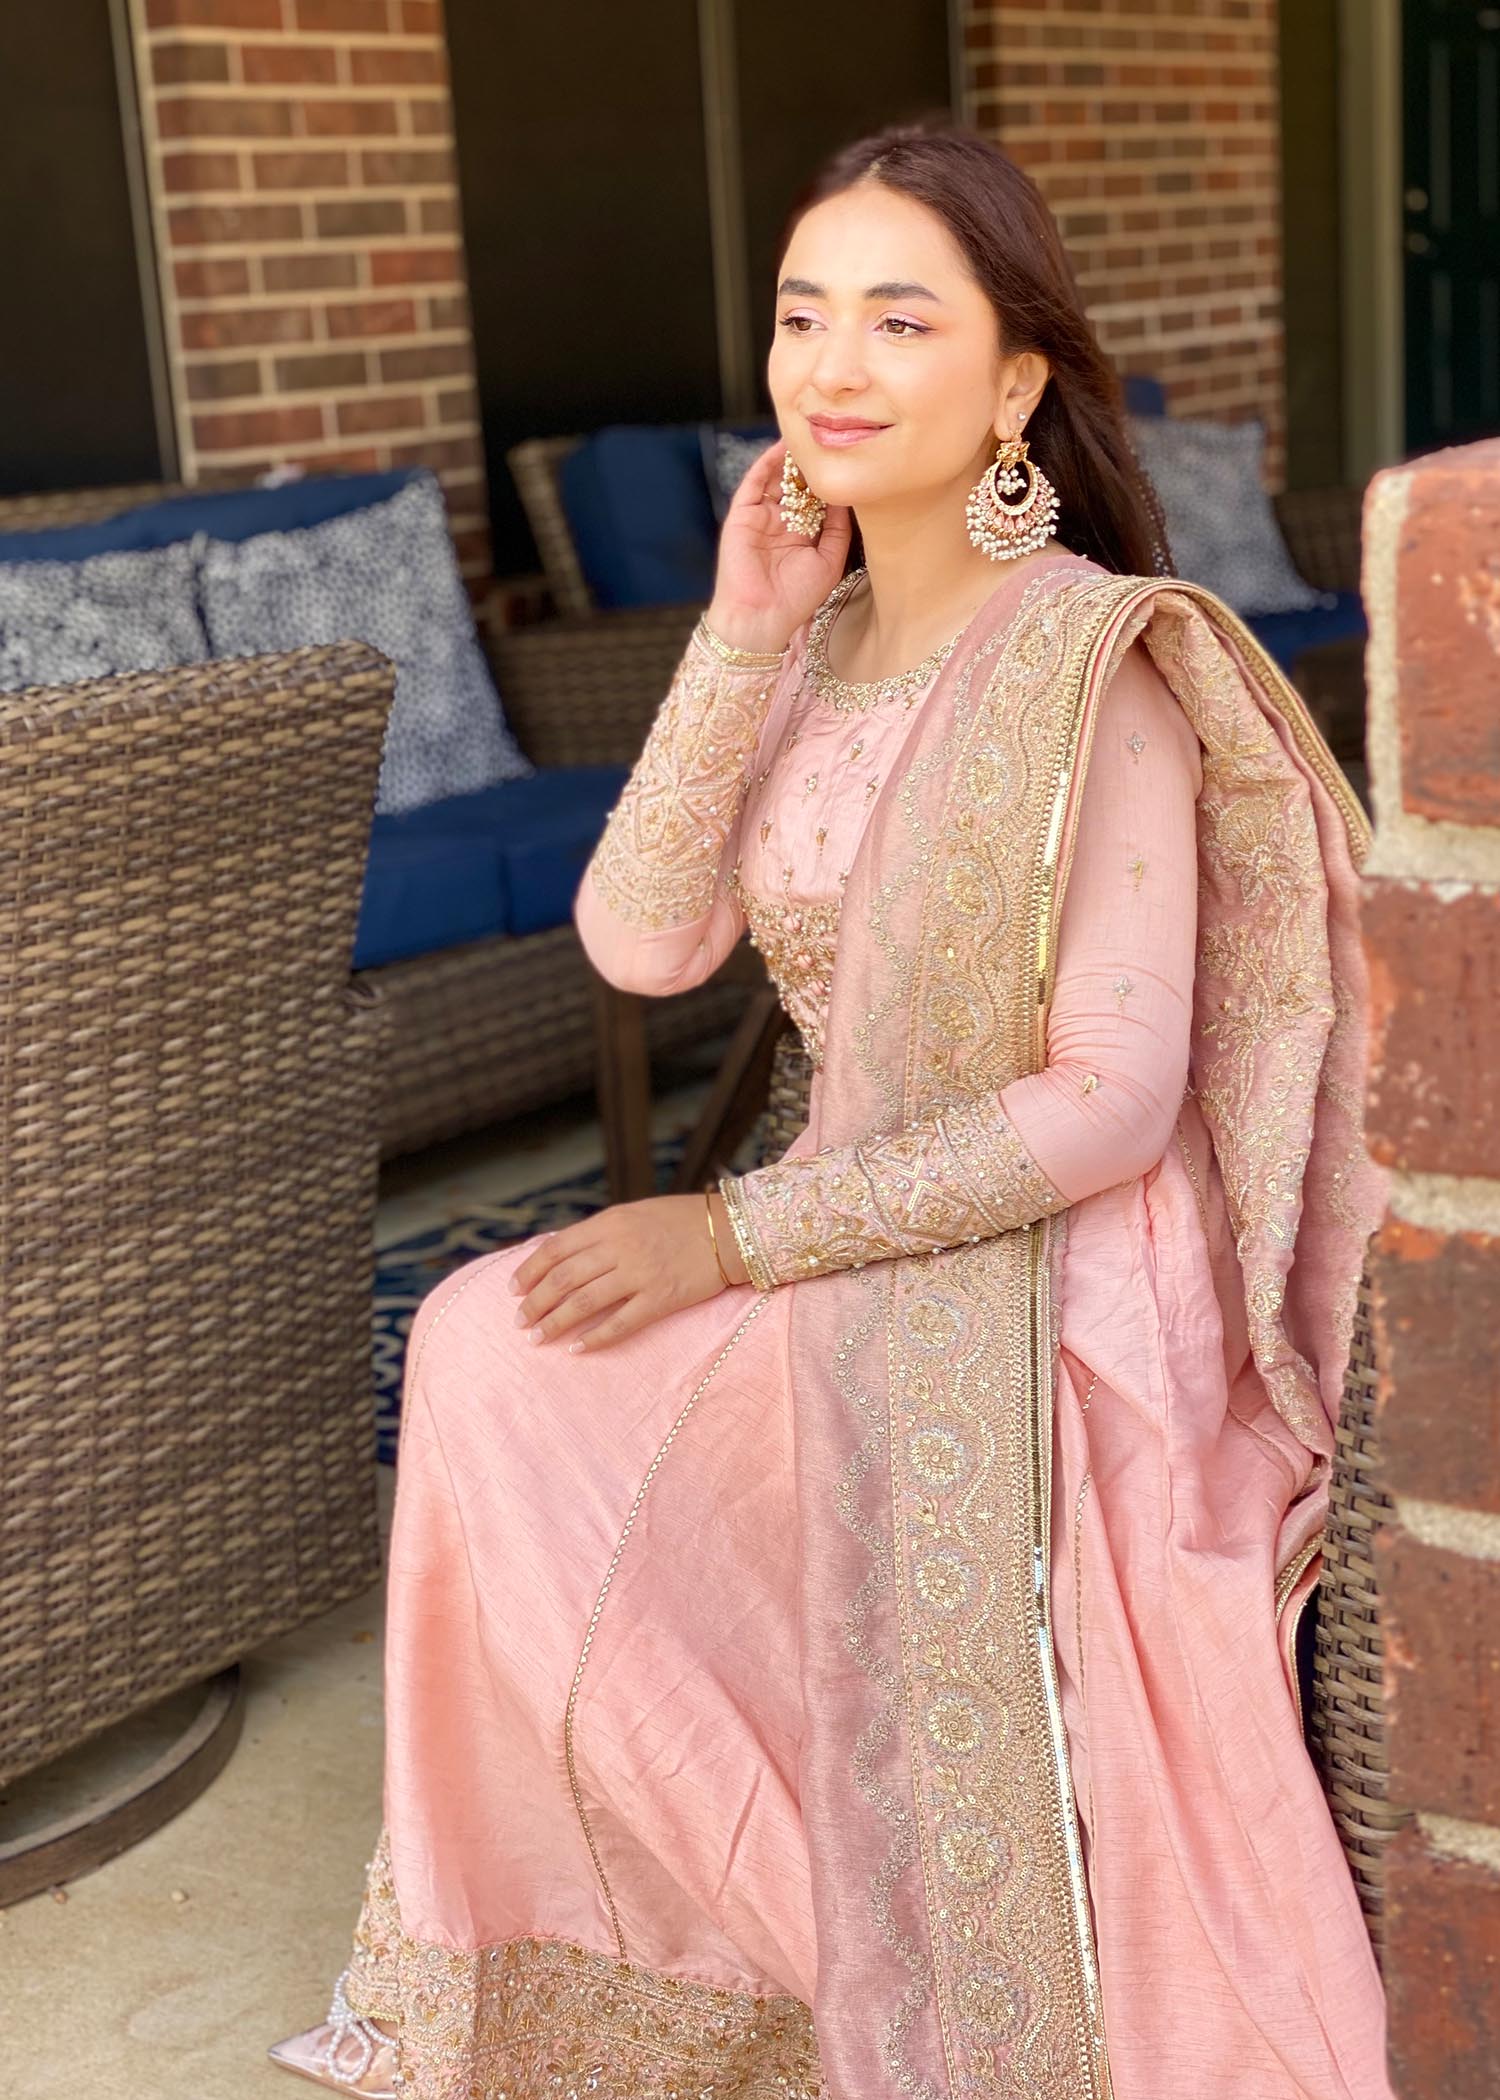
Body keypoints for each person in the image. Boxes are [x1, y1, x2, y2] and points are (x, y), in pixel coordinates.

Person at [269, 122, 1393, 2100]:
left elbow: (1109, 1107)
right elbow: (640, 942)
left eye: (900, 318)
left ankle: (872, 1960)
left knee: (538, 1360)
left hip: (1053, 1278)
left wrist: (727, 1236)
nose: (834, 367)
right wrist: (743, 628)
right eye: (804, 318)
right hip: (858, 1218)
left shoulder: (1091, 660)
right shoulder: (812, 643)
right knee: (485, 1345)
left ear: (1016, 383)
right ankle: (734, 1948)